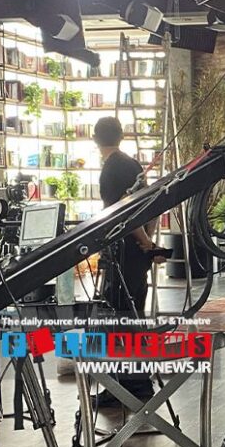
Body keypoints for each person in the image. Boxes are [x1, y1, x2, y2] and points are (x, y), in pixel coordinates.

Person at [93, 116, 164, 405]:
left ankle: (129, 386)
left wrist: (145, 243)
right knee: (132, 317)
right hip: (135, 254)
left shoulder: (111, 170)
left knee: (120, 320)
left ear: (95, 139)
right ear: (121, 136)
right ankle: (136, 382)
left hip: (123, 255)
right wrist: (147, 242)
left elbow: (124, 214)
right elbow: (153, 206)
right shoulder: (132, 164)